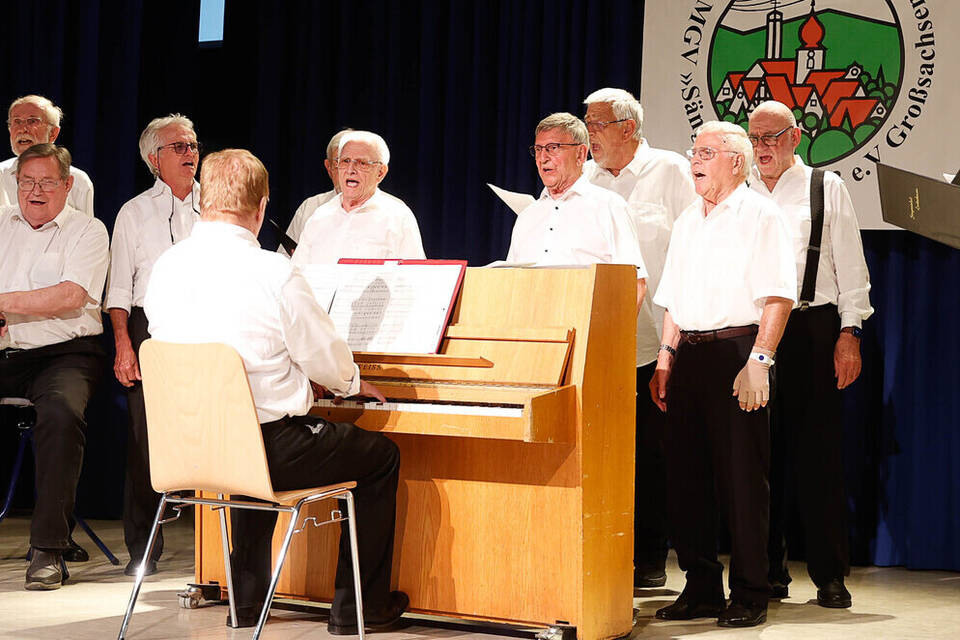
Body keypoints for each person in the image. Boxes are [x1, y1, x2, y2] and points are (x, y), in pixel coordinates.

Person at [144, 148, 407, 633]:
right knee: (380, 456)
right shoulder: (274, 272)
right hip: (266, 449)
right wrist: (351, 383)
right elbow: (323, 357)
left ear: (203, 199)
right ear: (262, 208)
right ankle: (357, 611)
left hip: (190, 445)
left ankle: (247, 605)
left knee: (246, 438)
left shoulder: (166, 267)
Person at [650, 121, 796, 627]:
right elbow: (672, 296)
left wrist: (759, 362)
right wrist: (666, 357)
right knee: (686, 479)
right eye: (693, 151)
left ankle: (751, 592)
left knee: (741, 480)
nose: (694, 159)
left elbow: (778, 295)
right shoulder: (689, 218)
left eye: (706, 152)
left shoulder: (762, 215)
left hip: (739, 351)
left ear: (736, 161)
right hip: (689, 354)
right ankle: (701, 587)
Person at [747, 100, 873, 609]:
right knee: (757, 455)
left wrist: (850, 333)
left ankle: (828, 575)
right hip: (752, 333)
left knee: (817, 457)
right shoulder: (740, 189)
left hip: (812, 327)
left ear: (796, 136)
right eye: (755, 140)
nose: (763, 149)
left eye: (772, 138)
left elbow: (851, 265)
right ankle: (768, 570)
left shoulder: (825, 187)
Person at [582, 87, 697, 588]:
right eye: (586, 124)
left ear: (628, 128)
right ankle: (602, 552)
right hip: (594, 339)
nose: (589, 135)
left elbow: (699, 243)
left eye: (598, 124)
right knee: (599, 452)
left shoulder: (671, 171)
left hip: (659, 338)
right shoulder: (582, 178)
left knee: (652, 454)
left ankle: (650, 558)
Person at [0, 143, 109, 590]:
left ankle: (48, 548)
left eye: (47, 182)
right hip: (7, 350)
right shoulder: (1, 225)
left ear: (67, 185)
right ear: (16, 185)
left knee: (61, 414)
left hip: (65, 354)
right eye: (28, 182)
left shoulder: (89, 231)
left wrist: (3, 304)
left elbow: (69, 296)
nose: (36, 191)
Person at [104, 114, 202, 577]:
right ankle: (144, 548)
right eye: (178, 146)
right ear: (153, 159)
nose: (190, 153)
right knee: (147, 441)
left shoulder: (218, 206)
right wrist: (124, 345)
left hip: (208, 327)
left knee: (214, 435)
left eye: (193, 145)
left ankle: (216, 552)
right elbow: (119, 290)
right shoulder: (133, 212)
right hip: (150, 329)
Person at [506, 112, 647, 311]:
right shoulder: (528, 216)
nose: (543, 158)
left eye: (553, 148)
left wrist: (611, 338)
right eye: (538, 149)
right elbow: (507, 283)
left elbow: (635, 284)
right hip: (532, 333)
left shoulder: (608, 206)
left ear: (580, 154)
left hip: (589, 331)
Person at [292, 131, 425, 265]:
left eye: (361, 163)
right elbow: (296, 275)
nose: (350, 170)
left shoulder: (398, 217)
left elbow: (415, 278)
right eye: (345, 161)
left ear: (380, 172)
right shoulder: (319, 216)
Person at [1, 96, 95, 216]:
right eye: (17, 121)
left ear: (53, 133)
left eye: (32, 121)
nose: (22, 129)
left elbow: (85, 231)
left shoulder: (78, 182)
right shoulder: (0, 175)